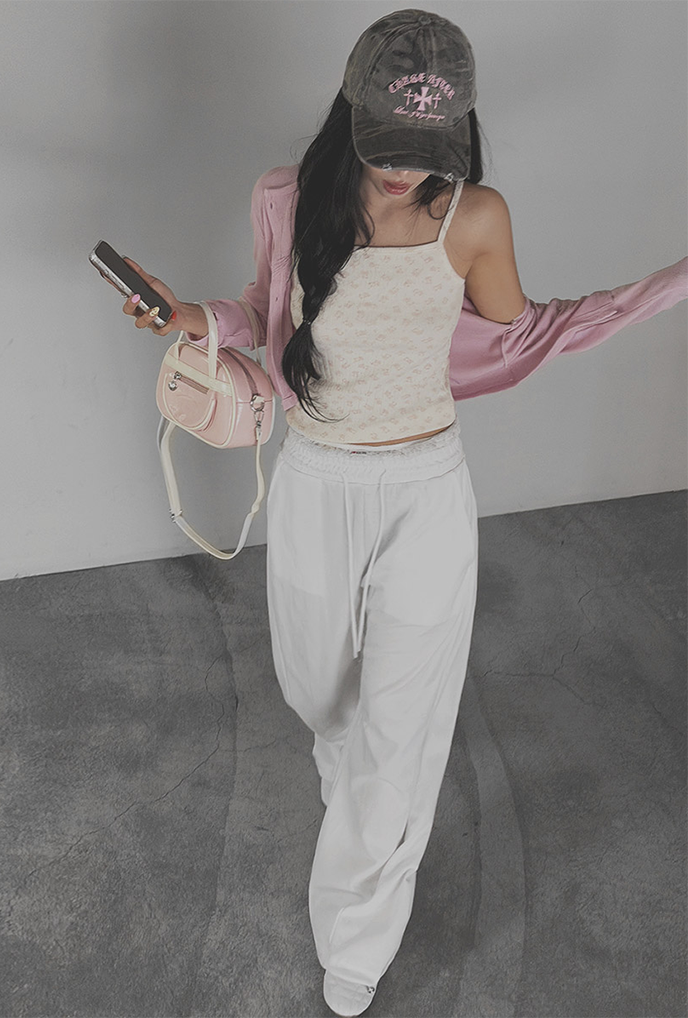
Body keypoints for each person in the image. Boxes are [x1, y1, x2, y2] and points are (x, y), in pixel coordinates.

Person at [113, 11, 688, 1015]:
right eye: (384, 146)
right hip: (314, 483)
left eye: (423, 151)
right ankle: (360, 803)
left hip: (423, 493)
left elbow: (522, 333)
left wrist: (661, 289)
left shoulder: (476, 216)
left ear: (458, 131)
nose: (399, 171)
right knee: (320, 700)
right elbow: (263, 310)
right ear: (349, 111)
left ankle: (357, 935)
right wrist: (188, 316)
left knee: (397, 734)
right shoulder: (286, 197)